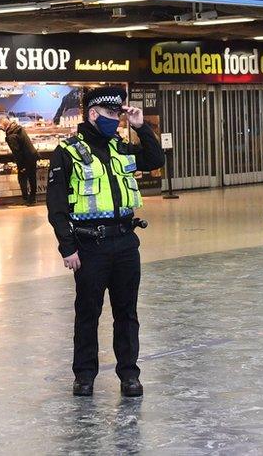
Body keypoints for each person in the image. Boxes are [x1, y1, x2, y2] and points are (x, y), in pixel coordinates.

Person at [46, 87, 164, 397]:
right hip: (89, 246)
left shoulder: (121, 148)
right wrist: (67, 247)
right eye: (111, 114)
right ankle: (84, 375)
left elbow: (154, 159)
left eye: (119, 114)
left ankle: (129, 374)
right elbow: (56, 206)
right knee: (88, 313)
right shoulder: (67, 151)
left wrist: (141, 127)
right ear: (93, 114)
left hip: (125, 242)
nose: (116, 119)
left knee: (127, 313)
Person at [0, 116, 39, 206]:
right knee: (32, 178)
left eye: (0, 127)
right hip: (32, 155)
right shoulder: (18, 128)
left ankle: (26, 198)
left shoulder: (11, 135)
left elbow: (17, 152)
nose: (0, 129)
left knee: (22, 178)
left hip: (25, 158)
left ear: (3, 126)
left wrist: (21, 166)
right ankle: (33, 198)